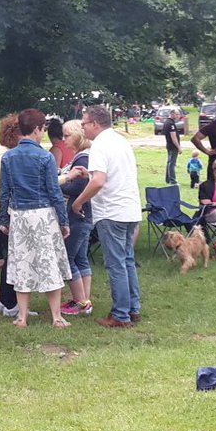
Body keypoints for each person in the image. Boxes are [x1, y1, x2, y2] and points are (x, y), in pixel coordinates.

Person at [0, 108, 71, 330]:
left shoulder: (8, 157)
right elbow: (54, 192)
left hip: (19, 216)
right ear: (38, 129)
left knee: (22, 264)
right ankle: (56, 317)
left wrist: (3, 218)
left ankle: (21, 317)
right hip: (43, 215)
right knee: (48, 263)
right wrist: (64, 220)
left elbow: (4, 192)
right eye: (42, 129)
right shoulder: (45, 157)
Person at [70, 105, 142, 329]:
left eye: (84, 123)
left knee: (116, 264)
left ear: (95, 124)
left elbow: (99, 181)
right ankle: (133, 308)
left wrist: (79, 201)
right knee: (127, 259)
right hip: (130, 209)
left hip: (112, 211)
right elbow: (108, 174)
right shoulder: (120, 141)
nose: (82, 127)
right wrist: (88, 175)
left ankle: (120, 315)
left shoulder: (99, 145)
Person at [0, 114, 25, 318]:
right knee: (15, 259)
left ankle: (4, 301)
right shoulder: (7, 157)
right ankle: (11, 303)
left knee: (10, 258)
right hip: (6, 211)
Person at [59, 119, 94, 317]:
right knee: (81, 258)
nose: (64, 140)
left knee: (68, 258)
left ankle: (81, 302)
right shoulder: (83, 157)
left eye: (67, 135)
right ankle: (84, 300)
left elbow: (78, 187)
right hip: (85, 216)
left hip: (78, 216)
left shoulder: (83, 159)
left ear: (78, 135)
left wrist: (58, 183)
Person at [162, 108, 182, 185]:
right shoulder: (171, 124)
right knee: (172, 163)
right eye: (177, 114)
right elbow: (173, 136)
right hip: (173, 146)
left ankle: (168, 179)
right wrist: (178, 147)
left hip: (169, 145)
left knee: (169, 162)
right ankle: (173, 180)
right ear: (172, 114)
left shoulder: (167, 122)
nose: (178, 116)